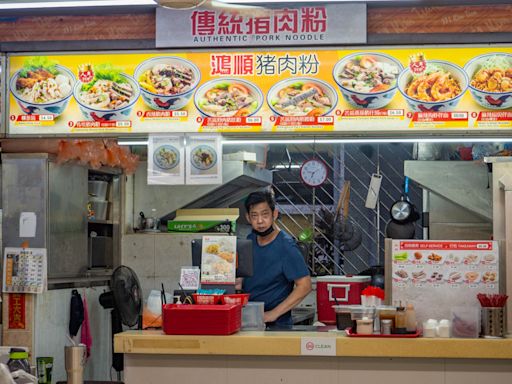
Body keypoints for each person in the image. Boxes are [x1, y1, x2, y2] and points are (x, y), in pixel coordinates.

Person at [241, 190, 312, 327]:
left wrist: (273, 313)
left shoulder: (286, 246)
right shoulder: (249, 241)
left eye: (265, 214)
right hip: (250, 319)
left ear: (274, 214)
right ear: (248, 218)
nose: (260, 221)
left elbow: (305, 285)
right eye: (254, 216)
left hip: (276, 325)